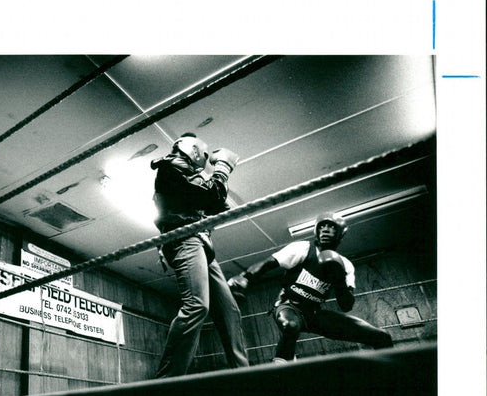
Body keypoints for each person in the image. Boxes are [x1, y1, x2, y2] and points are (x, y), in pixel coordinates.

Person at [227, 212, 393, 364]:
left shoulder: (345, 265)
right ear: (316, 231)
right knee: (290, 326)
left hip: (314, 313)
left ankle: (388, 374)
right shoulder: (303, 248)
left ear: (340, 234)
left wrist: (339, 279)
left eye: (331, 227)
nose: (325, 230)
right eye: (322, 226)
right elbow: (269, 262)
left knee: (380, 336)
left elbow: (346, 306)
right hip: (289, 306)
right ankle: (281, 369)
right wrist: (245, 277)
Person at [151, 133, 249, 378]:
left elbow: (216, 202)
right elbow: (214, 196)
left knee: (229, 311)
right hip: (185, 239)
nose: (205, 159)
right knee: (196, 306)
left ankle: (244, 375)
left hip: (202, 245)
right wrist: (223, 167)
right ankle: (166, 383)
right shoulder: (172, 166)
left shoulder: (186, 174)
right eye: (203, 154)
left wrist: (215, 190)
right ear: (192, 150)